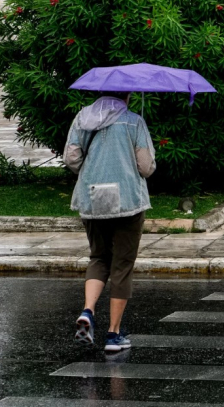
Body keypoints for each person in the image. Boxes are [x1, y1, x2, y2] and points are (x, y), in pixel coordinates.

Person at [63, 92, 156, 353]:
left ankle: (88, 310)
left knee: (99, 257)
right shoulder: (134, 121)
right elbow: (146, 167)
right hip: (128, 200)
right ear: (126, 96)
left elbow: (71, 159)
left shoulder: (82, 118)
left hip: (92, 199)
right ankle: (113, 334)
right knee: (122, 264)